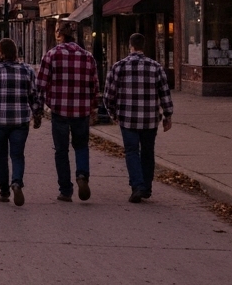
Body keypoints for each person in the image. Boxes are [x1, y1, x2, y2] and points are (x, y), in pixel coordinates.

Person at [104, 33, 175, 203]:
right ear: (144, 45)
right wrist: (168, 115)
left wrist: (113, 113)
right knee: (148, 152)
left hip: (127, 117)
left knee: (131, 151)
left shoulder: (119, 67)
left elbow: (109, 95)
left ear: (131, 46)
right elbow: (165, 93)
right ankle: (146, 187)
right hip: (150, 119)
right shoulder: (156, 67)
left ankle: (137, 185)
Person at [36, 21, 99, 202]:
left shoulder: (51, 55)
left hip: (59, 110)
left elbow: (40, 86)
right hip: (81, 111)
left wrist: (38, 110)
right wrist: (93, 108)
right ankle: (82, 175)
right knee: (81, 146)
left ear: (58, 34)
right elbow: (94, 85)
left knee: (61, 151)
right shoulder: (87, 57)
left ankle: (65, 190)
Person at [0, 38, 42, 206]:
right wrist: (37, 114)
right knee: (17, 155)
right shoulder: (27, 70)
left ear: (1, 52)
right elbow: (34, 95)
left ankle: (4, 192)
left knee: (1, 157)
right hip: (20, 120)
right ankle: (17, 182)